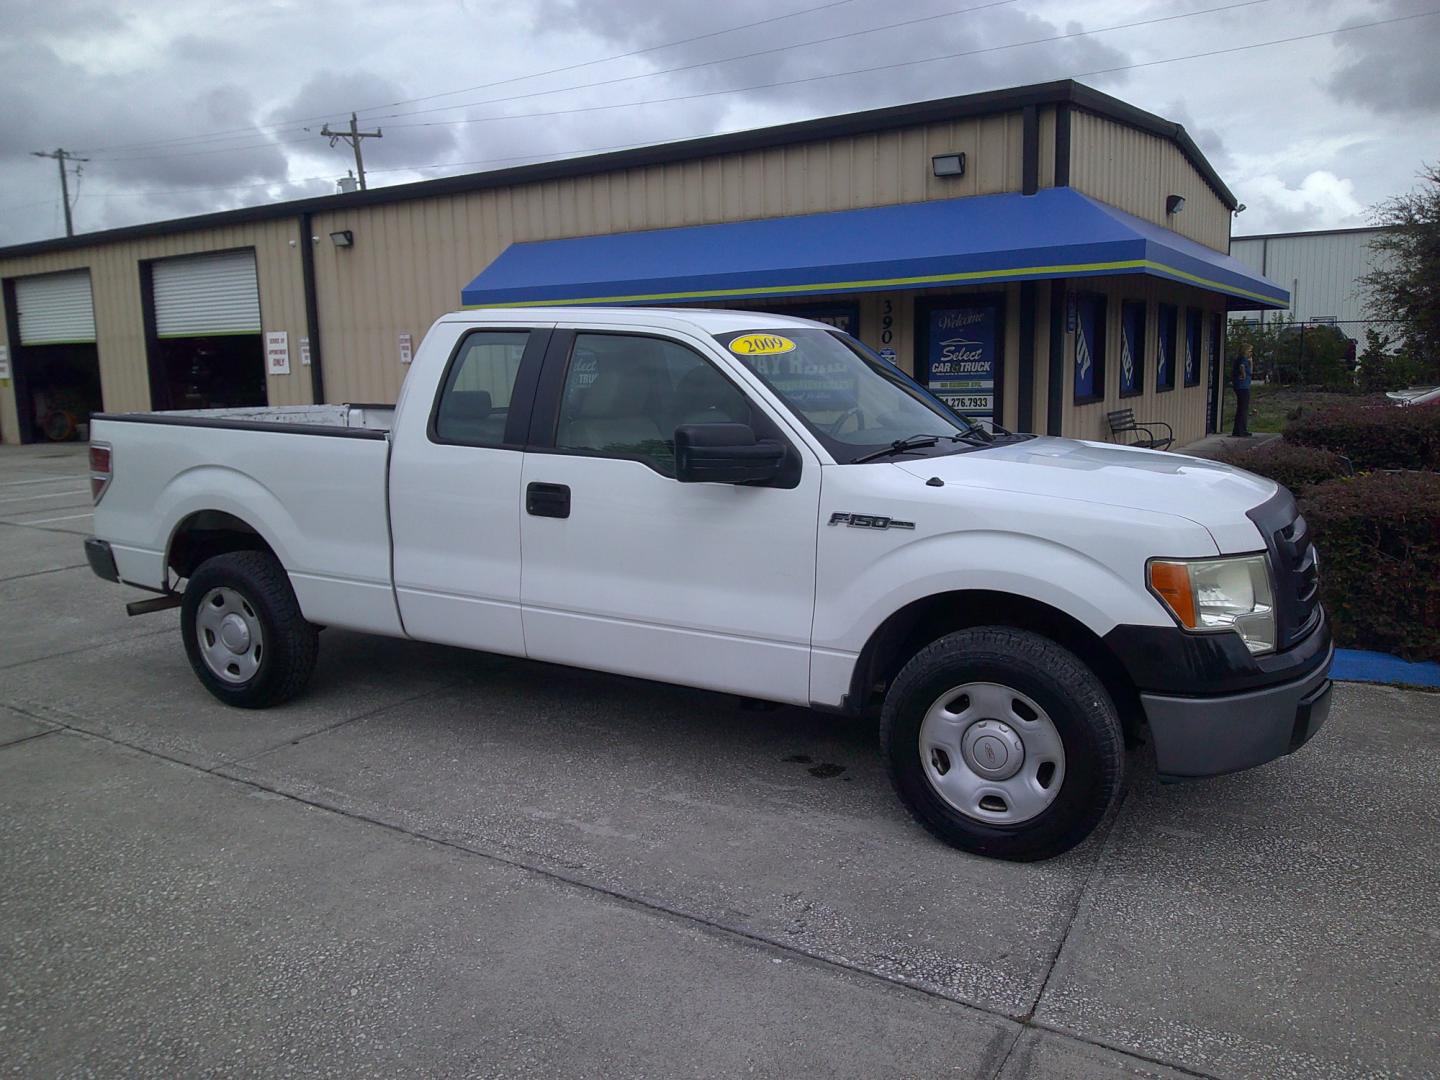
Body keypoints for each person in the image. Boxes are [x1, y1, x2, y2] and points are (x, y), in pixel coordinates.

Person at [1231, 343, 1254, 437]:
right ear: (1245, 351)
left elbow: (1251, 372)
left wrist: (1251, 362)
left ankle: (1239, 429)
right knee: (1243, 408)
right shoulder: (1242, 359)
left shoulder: (1245, 360)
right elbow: (1242, 367)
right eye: (1249, 351)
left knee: (1242, 408)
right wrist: (1243, 374)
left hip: (1244, 386)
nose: (1251, 353)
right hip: (1242, 386)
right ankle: (1241, 430)